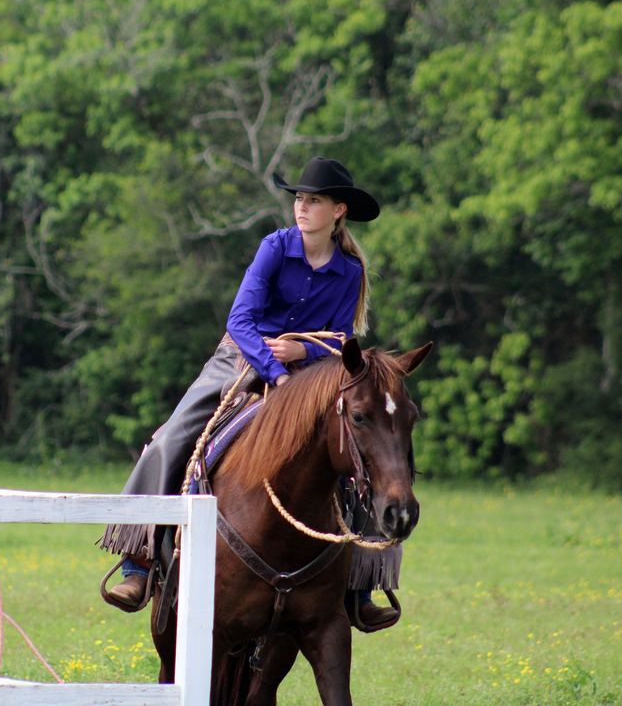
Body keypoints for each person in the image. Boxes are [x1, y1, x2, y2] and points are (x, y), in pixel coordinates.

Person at [99, 157, 398, 629]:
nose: (302, 207)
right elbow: (239, 321)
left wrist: (300, 351)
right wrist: (275, 371)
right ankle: (139, 562)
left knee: (360, 451)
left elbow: (343, 338)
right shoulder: (275, 248)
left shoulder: (351, 270)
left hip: (311, 372)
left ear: (338, 210)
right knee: (171, 439)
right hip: (240, 359)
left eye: (313, 200)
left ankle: (359, 585)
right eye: (299, 198)